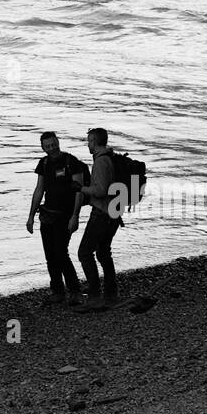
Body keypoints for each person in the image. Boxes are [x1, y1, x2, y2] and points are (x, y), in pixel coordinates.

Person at [26, 132, 88, 306]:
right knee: (50, 256)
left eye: (53, 144)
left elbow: (79, 191)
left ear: (58, 142)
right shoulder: (44, 163)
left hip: (66, 215)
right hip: (47, 215)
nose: (51, 148)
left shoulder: (71, 162)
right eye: (48, 146)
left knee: (61, 253)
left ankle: (75, 291)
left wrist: (75, 216)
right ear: (43, 148)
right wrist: (30, 216)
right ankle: (57, 291)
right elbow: (39, 190)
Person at [72, 127, 122, 310]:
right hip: (114, 214)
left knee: (85, 253)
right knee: (102, 252)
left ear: (94, 140)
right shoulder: (111, 157)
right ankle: (110, 292)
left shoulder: (101, 162)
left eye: (89, 140)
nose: (88, 144)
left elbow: (100, 191)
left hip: (102, 214)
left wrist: (81, 189)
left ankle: (94, 296)